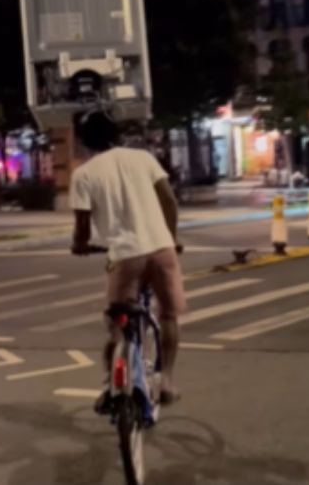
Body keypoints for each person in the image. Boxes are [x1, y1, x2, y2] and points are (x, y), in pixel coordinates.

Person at [70, 109, 186, 407]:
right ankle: (168, 382)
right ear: (116, 134)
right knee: (169, 316)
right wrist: (171, 239)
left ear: (83, 141)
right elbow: (169, 202)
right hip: (161, 249)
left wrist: (80, 245)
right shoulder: (143, 158)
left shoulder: (83, 174)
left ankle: (112, 385)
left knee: (117, 324)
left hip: (124, 256)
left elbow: (82, 225)